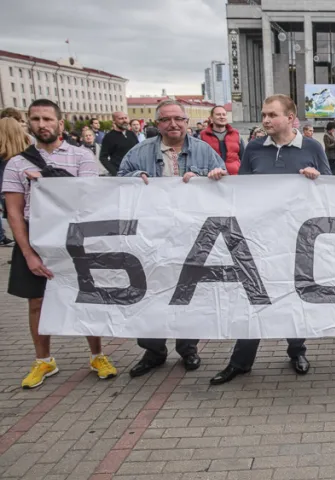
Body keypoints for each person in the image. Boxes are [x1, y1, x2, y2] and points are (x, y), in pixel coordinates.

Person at [211, 95, 330, 385]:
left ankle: (296, 351)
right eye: (264, 115)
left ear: (290, 118)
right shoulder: (253, 148)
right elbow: (244, 190)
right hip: (260, 238)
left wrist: (316, 179)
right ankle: (241, 361)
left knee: (293, 296)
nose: (265, 120)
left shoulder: (313, 147)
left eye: (272, 115)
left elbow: (330, 188)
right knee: (254, 298)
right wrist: (219, 180)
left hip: (297, 239)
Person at [3, 99, 118, 389]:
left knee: (87, 296)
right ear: (28, 123)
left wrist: (47, 180)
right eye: (36, 119)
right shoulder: (16, 164)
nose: (42, 125)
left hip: (74, 235)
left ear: (60, 124)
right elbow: (14, 213)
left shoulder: (82, 156)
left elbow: (86, 197)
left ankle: (97, 354)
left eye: (47, 119)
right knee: (37, 301)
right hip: (36, 236)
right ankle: (43, 360)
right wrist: (28, 253)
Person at [118, 99, 228, 378]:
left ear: (187, 121)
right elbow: (118, 182)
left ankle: (188, 346)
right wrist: (134, 177)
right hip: (152, 236)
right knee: (151, 290)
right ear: (158, 124)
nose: (173, 124)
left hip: (192, 235)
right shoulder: (138, 153)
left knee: (188, 292)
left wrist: (208, 177)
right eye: (166, 119)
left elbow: (223, 186)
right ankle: (153, 349)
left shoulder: (205, 151)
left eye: (179, 118)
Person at [0, 117, 31, 248]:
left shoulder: (4, 157)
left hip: (7, 194)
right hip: (28, 195)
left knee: (16, 225)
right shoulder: (27, 154)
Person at [198, 105, 244, 175]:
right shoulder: (202, 136)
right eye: (218, 114)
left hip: (235, 177)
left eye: (224, 114)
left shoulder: (236, 134)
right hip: (212, 177)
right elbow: (198, 159)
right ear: (211, 118)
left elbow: (244, 157)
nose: (222, 117)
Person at [99, 111, 138, 176]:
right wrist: (114, 172)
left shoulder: (131, 134)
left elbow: (138, 151)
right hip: (119, 173)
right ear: (114, 121)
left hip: (134, 171)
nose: (124, 120)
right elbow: (103, 157)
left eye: (125, 118)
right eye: (121, 119)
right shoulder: (109, 137)